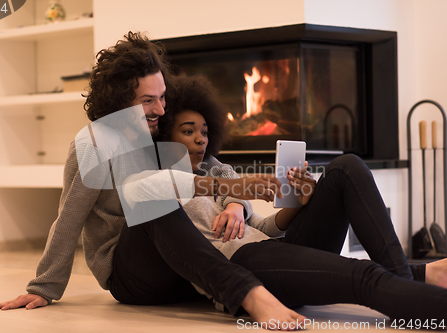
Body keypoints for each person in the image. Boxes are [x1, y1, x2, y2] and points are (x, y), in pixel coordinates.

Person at [0, 31, 308, 330]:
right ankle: (246, 295)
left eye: (162, 97)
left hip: (182, 265)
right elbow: (69, 217)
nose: (159, 108)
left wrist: (238, 203)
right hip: (132, 273)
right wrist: (44, 287)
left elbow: (217, 169)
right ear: (119, 102)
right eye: (147, 100)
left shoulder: (158, 131)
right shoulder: (96, 144)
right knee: (150, 198)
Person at [158, 75, 447, 322]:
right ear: (165, 137)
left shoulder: (217, 171)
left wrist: (298, 202)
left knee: (347, 167)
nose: (201, 139)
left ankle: (406, 285)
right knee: (362, 273)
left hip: (273, 250)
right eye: (188, 131)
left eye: (205, 132)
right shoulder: (161, 187)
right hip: (245, 268)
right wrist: (234, 194)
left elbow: (266, 228)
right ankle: (414, 287)